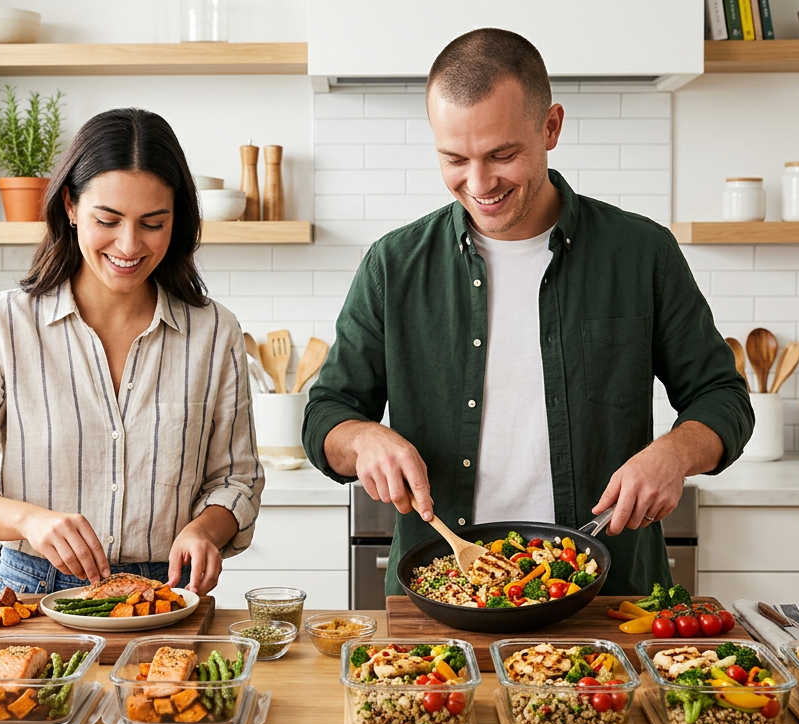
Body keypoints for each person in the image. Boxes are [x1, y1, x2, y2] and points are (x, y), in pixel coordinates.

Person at [303, 29, 753, 596]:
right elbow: (327, 415)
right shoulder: (393, 265)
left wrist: (675, 453)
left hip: (608, 597)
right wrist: (364, 439)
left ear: (551, 128)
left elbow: (722, 396)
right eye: (454, 159)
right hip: (444, 594)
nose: (479, 183)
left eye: (502, 155)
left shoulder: (641, 253)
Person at [0, 107, 263, 597]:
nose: (129, 244)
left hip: (162, 593)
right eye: (108, 219)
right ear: (70, 205)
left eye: (153, 223)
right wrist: (28, 520)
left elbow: (236, 479)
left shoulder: (214, 331)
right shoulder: (2, 324)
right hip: (33, 588)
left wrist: (204, 530)